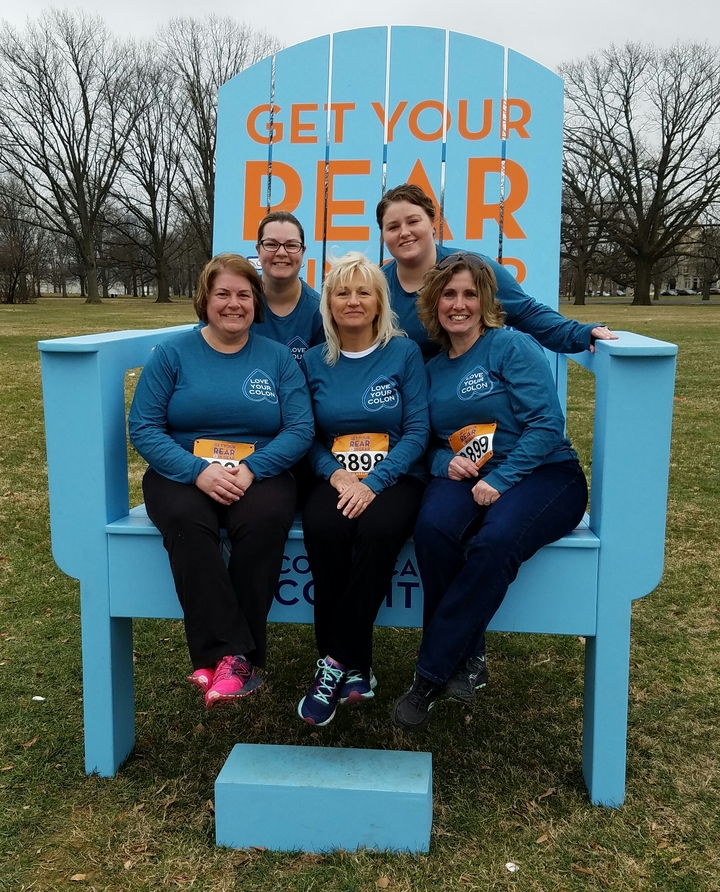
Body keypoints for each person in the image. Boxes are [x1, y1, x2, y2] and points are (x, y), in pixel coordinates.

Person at [392, 252, 589, 730]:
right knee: (433, 528)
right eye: (448, 295)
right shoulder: (431, 369)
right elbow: (424, 442)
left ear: (485, 302)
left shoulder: (511, 347)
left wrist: (501, 479)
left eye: (469, 295)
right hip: (468, 475)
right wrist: (443, 462)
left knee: (495, 540)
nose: (458, 304)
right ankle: (469, 659)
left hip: (545, 474)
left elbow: (546, 425)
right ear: (434, 303)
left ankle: (430, 674)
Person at [128, 254, 313, 709]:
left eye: (244, 295)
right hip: (182, 470)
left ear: (256, 302)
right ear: (205, 300)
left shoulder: (276, 358)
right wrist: (197, 471)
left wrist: (252, 468)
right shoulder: (173, 354)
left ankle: (224, 659)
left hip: (260, 470)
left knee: (264, 521)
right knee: (186, 521)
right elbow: (144, 427)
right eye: (223, 294)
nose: (234, 303)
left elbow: (300, 428)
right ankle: (233, 656)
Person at [298, 252, 429, 726]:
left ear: (379, 302)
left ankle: (333, 663)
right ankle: (357, 667)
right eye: (342, 292)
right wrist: (336, 475)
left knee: (377, 531)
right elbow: (306, 434)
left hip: (396, 476)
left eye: (363, 292)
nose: (352, 301)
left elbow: (417, 430)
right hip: (334, 476)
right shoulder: (314, 360)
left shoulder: (404, 353)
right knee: (324, 528)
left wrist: (374, 481)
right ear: (328, 304)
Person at [376, 182, 617, 362]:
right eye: (393, 227)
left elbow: (528, 313)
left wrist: (580, 333)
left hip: (466, 400)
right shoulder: (375, 285)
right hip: (404, 405)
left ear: (432, 224)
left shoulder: (472, 268)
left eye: (413, 221)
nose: (404, 232)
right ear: (383, 235)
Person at [252, 210, 324, 364]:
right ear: (258, 250)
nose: (281, 252)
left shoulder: (320, 312)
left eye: (291, 245)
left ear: (303, 251)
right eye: (271, 244)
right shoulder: (237, 302)